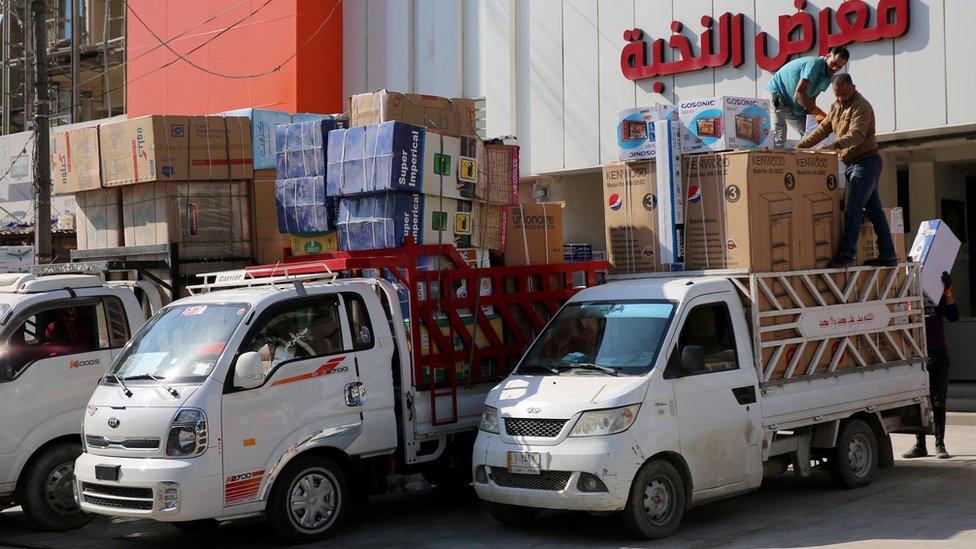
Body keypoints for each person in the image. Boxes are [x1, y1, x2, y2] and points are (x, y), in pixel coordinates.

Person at [798, 73, 897, 268]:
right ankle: (889, 255)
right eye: (837, 94)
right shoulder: (836, 106)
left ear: (853, 87)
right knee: (874, 210)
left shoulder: (862, 106)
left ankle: (847, 254)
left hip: (866, 162)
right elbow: (823, 129)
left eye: (843, 93)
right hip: (852, 163)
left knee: (854, 207)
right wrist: (800, 147)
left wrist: (834, 146)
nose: (840, 97)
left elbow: (857, 135)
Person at [904, 272, 959, 459]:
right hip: (919, 357)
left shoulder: (937, 297)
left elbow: (954, 316)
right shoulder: (910, 299)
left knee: (938, 402)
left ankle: (940, 444)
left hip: (938, 355)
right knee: (920, 402)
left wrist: (947, 292)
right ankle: (920, 445)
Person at [766, 47, 850, 148]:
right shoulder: (814, 64)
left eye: (839, 67)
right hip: (778, 94)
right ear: (828, 56)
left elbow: (812, 98)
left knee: (811, 133)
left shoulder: (829, 75)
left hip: (793, 102)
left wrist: (815, 119)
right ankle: (776, 160)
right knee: (779, 134)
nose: (835, 69)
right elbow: (799, 94)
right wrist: (817, 113)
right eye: (834, 63)